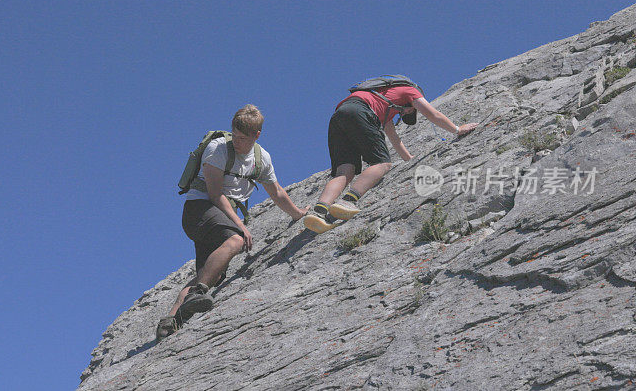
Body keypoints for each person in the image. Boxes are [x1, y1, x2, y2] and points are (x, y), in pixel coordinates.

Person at [157, 104, 309, 341]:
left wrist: (297, 214)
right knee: (236, 240)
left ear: (256, 135)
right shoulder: (218, 148)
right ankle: (197, 294)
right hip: (199, 210)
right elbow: (215, 194)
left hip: (219, 216)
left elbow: (276, 191)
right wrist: (241, 225)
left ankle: (170, 322)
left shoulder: (261, 158)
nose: (236, 142)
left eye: (242, 138)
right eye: (234, 135)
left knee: (211, 272)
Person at [303, 80, 479, 234]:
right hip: (360, 112)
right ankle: (348, 200)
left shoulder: (381, 98)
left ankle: (318, 211)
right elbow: (432, 113)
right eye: (408, 111)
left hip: (340, 114)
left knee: (345, 170)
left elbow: (393, 137)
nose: (404, 114)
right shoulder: (410, 90)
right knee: (382, 163)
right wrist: (457, 129)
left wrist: (409, 159)